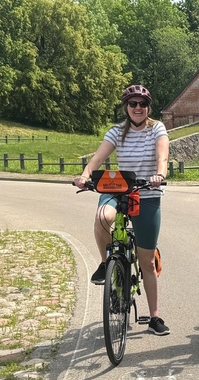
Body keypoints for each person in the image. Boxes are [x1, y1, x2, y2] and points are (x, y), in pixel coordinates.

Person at [73, 84, 170, 336]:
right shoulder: (117, 131)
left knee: (147, 262)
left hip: (147, 192)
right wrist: (85, 175)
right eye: (132, 103)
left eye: (142, 104)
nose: (138, 108)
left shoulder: (157, 128)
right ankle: (107, 263)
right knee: (102, 217)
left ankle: (155, 317)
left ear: (148, 107)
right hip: (118, 188)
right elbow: (97, 159)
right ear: (126, 107)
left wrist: (160, 174)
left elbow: (163, 157)